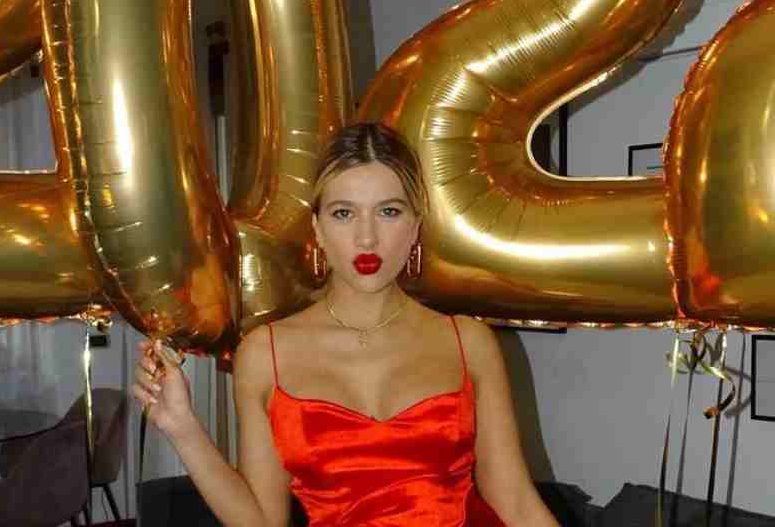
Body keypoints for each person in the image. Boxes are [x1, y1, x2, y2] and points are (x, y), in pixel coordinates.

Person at [133, 122, 559, 526]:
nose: (367, 237)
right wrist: (181, 426)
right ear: (317, 228)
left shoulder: (468, 343)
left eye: (388, 211)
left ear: (416, 225)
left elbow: (517, 503)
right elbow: (262, 520)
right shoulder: (265, 353)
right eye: (343, 213)